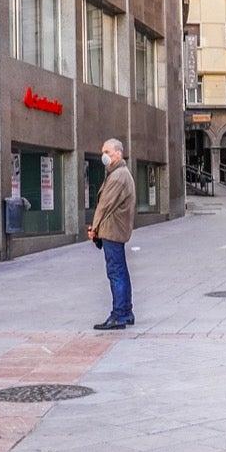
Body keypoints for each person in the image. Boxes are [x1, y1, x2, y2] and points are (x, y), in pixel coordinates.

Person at [88, 138, 137, 330]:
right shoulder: (118, 173)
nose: (104, 156)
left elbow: (104, 206)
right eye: (103, 152)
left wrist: (95, 229)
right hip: (115, 229)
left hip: (112, 230)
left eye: (107, 152)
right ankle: (126, 312)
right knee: (121, 271)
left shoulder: (118, 176)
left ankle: (118, 315)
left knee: (115, 272)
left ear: (118, 153)